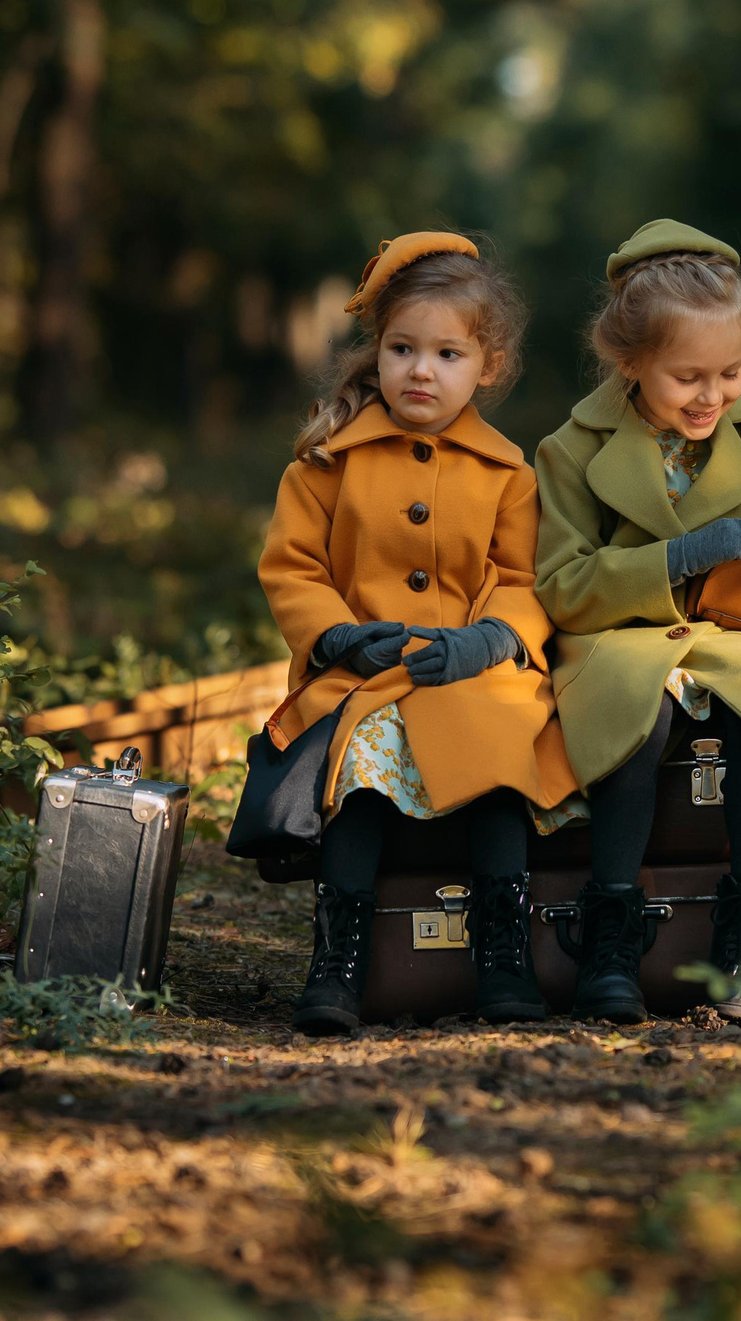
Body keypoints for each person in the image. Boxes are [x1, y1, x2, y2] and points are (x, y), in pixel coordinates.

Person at [533, 220, 741, 1026]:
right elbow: (562, 585)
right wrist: (676, 558)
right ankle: (611, 931)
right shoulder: (570, 451)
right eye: (687, 376)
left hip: (729, 642)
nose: (712, 395)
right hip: (618, 642)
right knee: (633, 718)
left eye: (730, 371)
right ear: (630, 363)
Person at [257, 231, 578, 1035]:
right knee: (358, 775)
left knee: (502, 764)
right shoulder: (327, 462)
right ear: (378, 350)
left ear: (487, 366)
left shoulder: (508, 473)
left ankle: (504, 955)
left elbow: (522, 578)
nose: (421, 370)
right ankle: (338, 963)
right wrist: (334, 637)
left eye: (446, 353)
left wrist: (494, 639)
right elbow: (293, 568)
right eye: (402, 348)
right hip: (367, 672)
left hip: (471, 672)